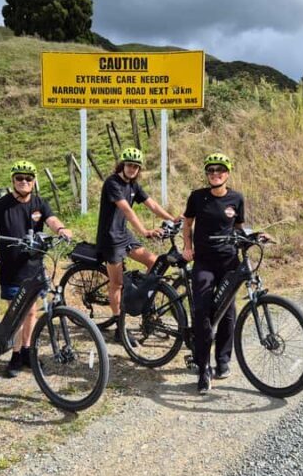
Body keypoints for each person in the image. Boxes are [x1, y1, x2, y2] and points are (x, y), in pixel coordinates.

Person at [0, 160, 72, 377]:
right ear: (13, 180)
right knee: (18, 314)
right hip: (11, 268)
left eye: (28, 178)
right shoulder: (0, 205)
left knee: (31, 313)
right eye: (19, 178)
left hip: (34, 267)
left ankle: (26, 352)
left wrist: (61, 229)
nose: (24, 182)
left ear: (34, 181)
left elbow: (52, 219)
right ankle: (16, 355)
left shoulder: (39, 203)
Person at [96, 147, 179, 344]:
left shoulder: (133, 185)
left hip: (124, 234)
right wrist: (145, 231)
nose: (132, 169)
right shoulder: (112, 183)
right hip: (110, 238)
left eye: (136, 166)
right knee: (116, 283)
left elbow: (152, 205)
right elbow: (127, 210)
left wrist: (172, 219)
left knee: (153, 262)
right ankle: (119, 328)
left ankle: (140, 301)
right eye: (129, 165)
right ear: (122, 165)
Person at [182, 153, 244, 394]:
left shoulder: (236, 198)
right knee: (202, 310)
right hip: (204, 262)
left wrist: (254, 236)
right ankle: (203, 366)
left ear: (227, 173)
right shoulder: (198, 197)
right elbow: (187, 223)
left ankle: (223, 360)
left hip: (229, 262)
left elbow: (238, 227)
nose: (215, 174)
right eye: (211, 170)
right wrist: (188, 247)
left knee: (228, 311)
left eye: (219, 170)